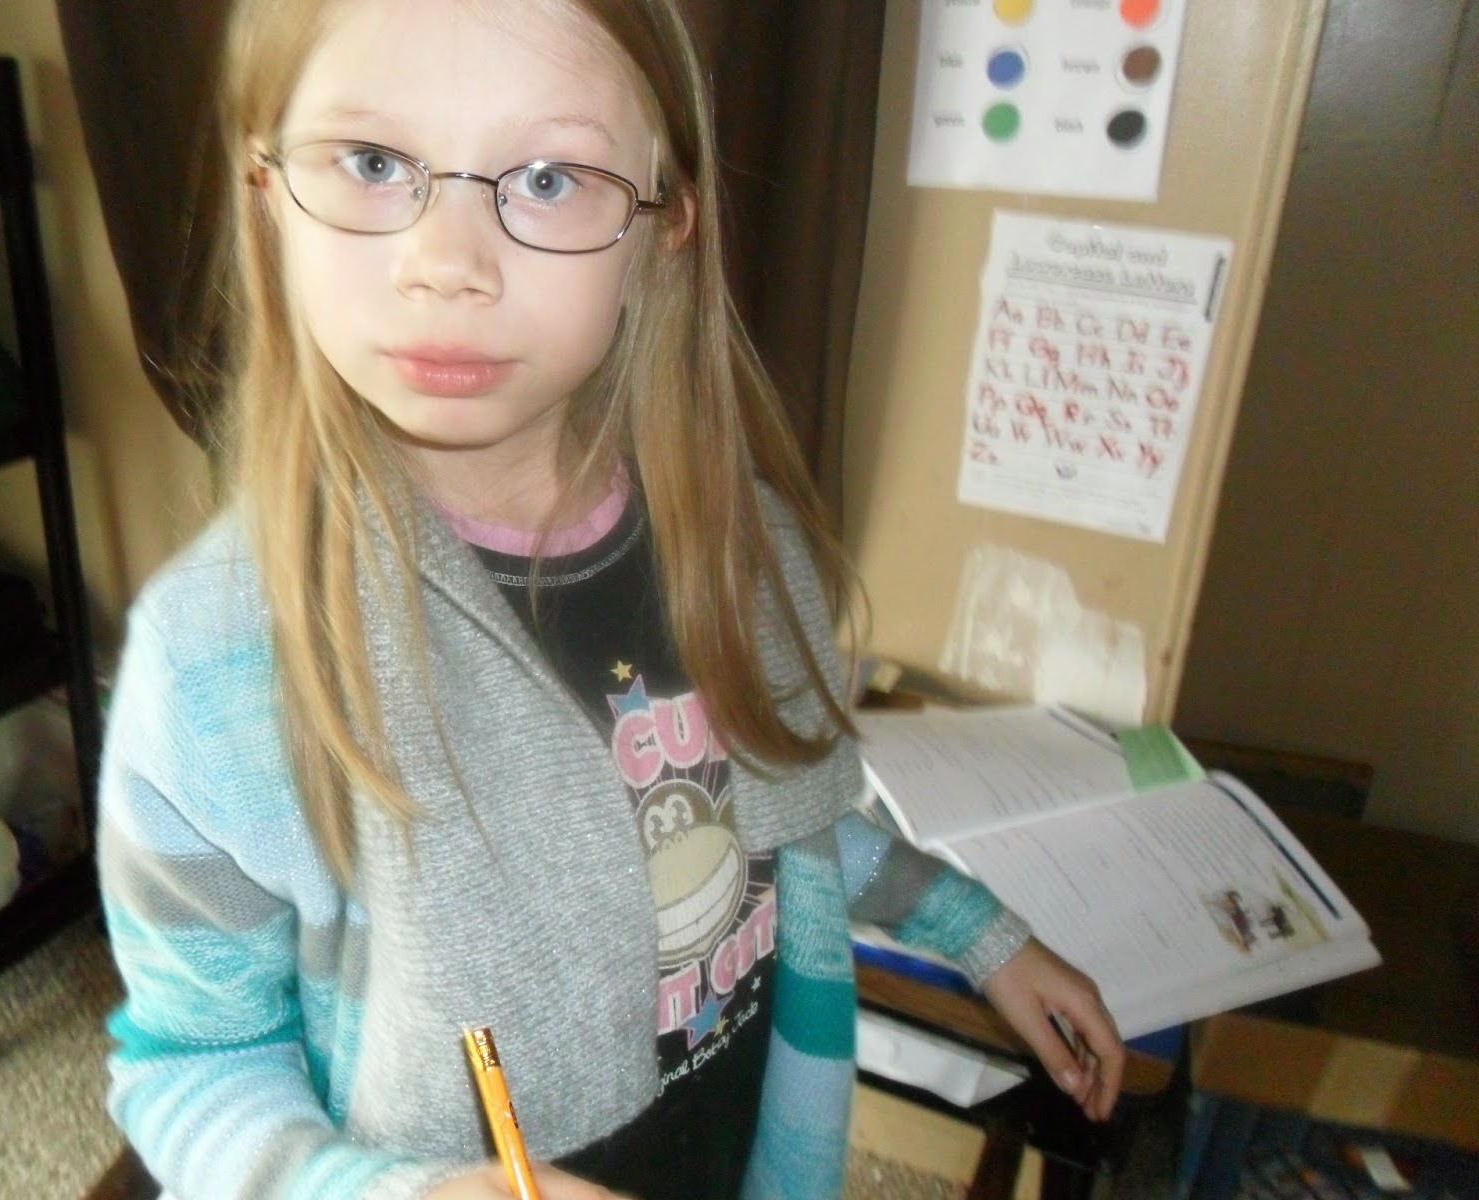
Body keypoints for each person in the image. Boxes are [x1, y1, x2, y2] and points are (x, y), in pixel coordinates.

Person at [97, 0, 1125, 1197]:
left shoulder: (735, 545)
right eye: (372, 162)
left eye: (547, 180)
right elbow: (191, 1066)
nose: (447, 265)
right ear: (267, 187)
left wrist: (972, 931)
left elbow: (751, 822)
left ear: (663, 226)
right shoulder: (216, 659)